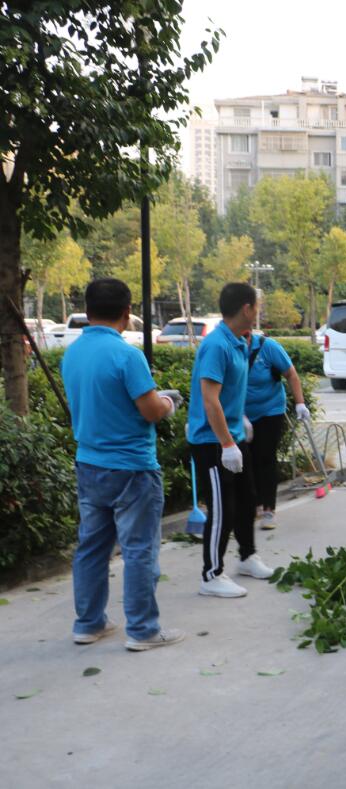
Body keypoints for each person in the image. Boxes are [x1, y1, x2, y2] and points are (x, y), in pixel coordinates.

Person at [61, 278, 186, 651]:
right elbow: (150, 410)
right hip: (132, 468)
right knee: (139, 550)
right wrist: (168, 402)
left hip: (89, 464)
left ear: (87, 310)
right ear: (127, 312)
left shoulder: (72, 353)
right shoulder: (127, 356)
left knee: (91, 547)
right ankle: (143, 630)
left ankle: (88, 623)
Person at [188, 283, 274, 598]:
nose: (258, 311)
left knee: (247, 500)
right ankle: (211, 575)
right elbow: (210, 399)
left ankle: (247, 557)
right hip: (212, 443)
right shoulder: (217, 345)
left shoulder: (239, 342)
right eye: (257, 306)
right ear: (246, 308)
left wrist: (240, 421)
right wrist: (226, 444)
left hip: (234, 437)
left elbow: (229, 394)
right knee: (222, 510)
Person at [243, 325, 311, 530]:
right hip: (241, 414)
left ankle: (268, 509)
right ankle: (253, 504)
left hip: (270, 410)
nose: (242, 340)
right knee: (247, 459)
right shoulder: (229, 349)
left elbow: (291, 374)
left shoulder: (269, 347)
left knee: (265, 457)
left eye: (245, 336)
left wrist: (300, 403)